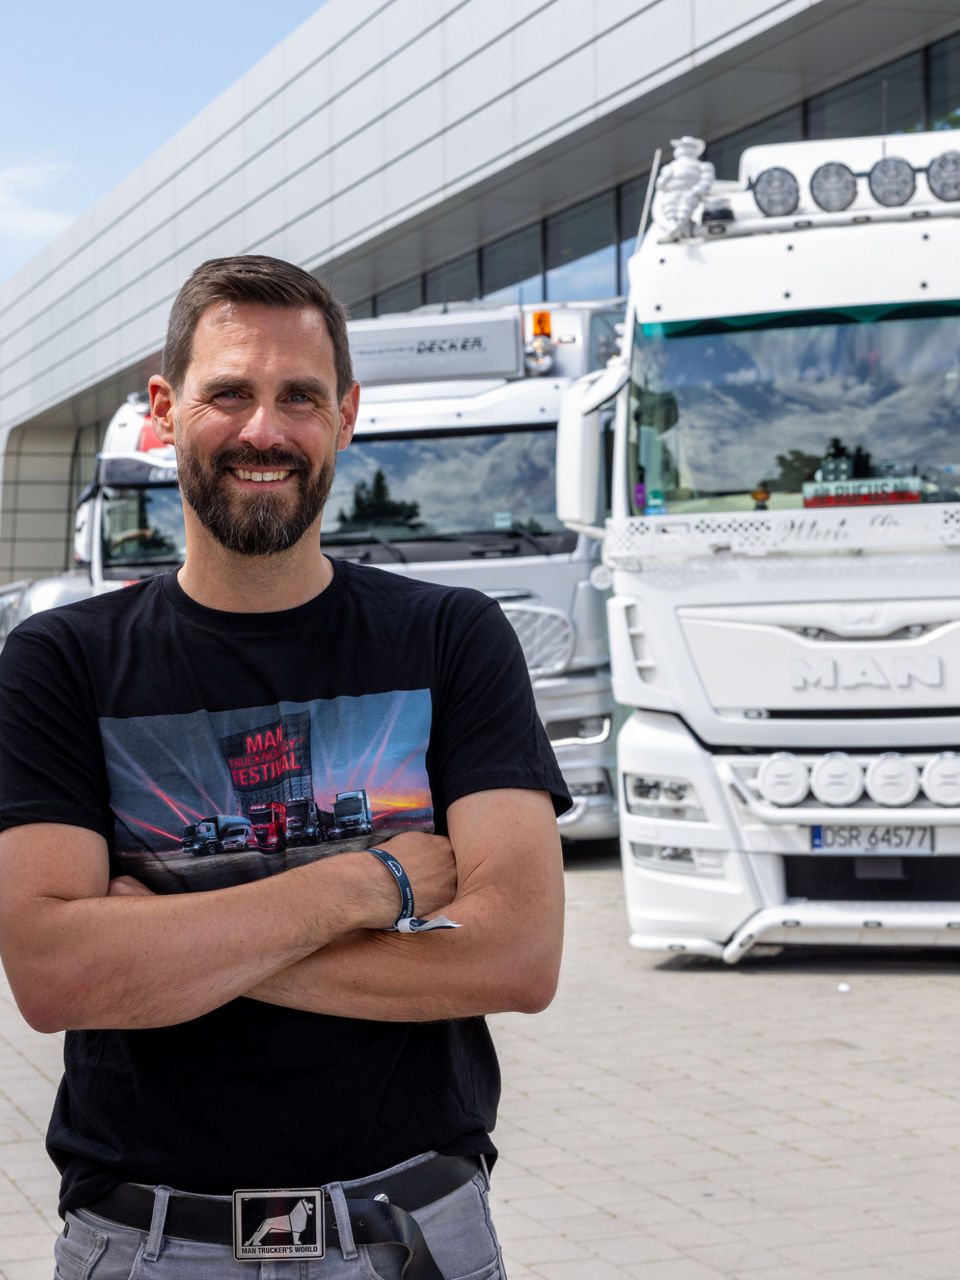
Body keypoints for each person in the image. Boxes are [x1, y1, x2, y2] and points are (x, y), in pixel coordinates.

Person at [0, 255, 569, 1279]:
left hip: (410, 1238)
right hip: (149, 1244)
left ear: (345, 416)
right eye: (229, 393)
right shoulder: (60, 659)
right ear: (166, 410)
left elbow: (517, 957)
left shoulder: (450, 638)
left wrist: (162, 944)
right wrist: (375, 881)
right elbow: (55, 973)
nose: (264, 429)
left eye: (299, 396)